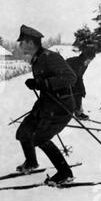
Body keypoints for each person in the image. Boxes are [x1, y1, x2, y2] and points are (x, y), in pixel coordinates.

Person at [15, 25, 77, 185]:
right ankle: (31, 162)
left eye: (22, 42)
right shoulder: (37, 59)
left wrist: (43, 82)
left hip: (61, 106)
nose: (20, 45)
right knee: (24, 131)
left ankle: (65, 173)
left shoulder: (50, 57)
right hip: (47, 105)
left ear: (29, 42)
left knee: (40, 137)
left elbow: (71, 77)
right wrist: (37, 83)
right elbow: (43, 83)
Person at [66, 46, 96, 120]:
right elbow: (77, 77)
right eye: (88, 60)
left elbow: (79, 77)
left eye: (90, 60)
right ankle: (74, 112)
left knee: (79, 91)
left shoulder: (84, 65)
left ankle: (78, 111)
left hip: (72, 79)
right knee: (77, 91)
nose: (89, 62)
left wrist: (82, 88)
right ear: (84, 57)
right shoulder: (76, 62)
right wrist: (82, 89)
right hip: (63, 78)